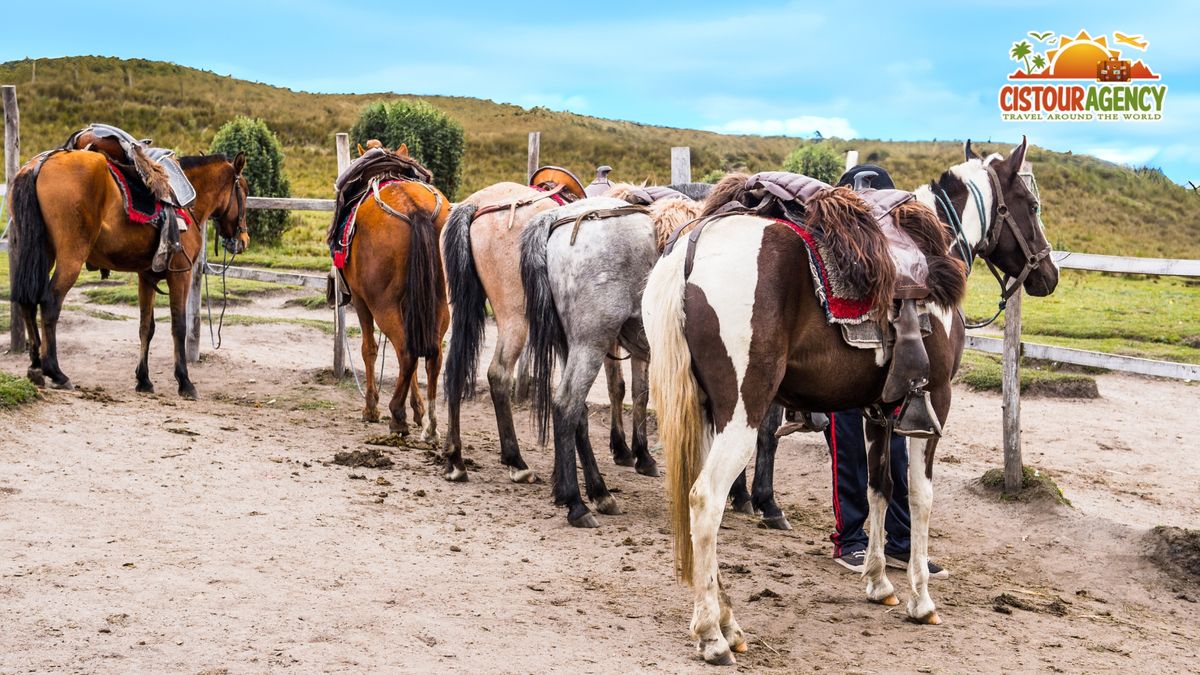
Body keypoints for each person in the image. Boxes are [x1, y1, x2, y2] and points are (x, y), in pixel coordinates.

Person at [825, 165, 947, 579]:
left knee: (897, 443)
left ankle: (901, 538)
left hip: (890, 350)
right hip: (844, 347)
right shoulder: (842, 249)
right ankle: (850, 537)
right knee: (848, 442)